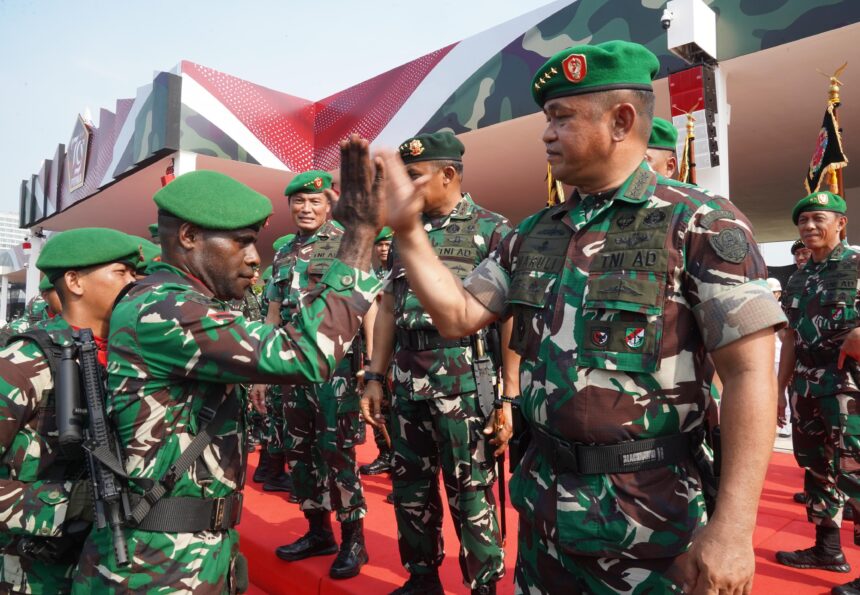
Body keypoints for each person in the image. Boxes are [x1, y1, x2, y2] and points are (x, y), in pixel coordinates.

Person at [377, 40, 786, 593]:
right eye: (547, 118)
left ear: (621, 120)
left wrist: (734, 529)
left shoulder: (700, 224)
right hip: (544, 509)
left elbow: (749, 375)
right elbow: (457, 316)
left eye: (561, 118)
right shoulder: (532, 233)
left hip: (650, 522)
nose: (546, 133)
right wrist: (406, 232)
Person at [72, 136, 385, 594]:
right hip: (160, 565)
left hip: (186, 550)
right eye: (240, 243)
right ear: (189, 238)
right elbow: (305, 355)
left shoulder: (180, 302)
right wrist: (358, 238)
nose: (254, 258)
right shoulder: (167, 308)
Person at [362, 131, 516, 595]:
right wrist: (374, 375)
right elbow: (388, 307)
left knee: (470, 491)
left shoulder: (493, 229)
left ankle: (482, 583)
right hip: (408, 378)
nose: (402, 189)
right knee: (411, 489)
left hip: (466, 380)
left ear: (448, 174)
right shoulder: (406, 233)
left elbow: (509, 319)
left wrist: (508, 395)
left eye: (413, 177)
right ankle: (422, 576)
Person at [0, 227, 141, 594]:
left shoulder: (131, 359)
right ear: (75, 281)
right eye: (121, 272)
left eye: (135, 273)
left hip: (111, 566)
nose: (134, 282)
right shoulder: (22, 363)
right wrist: (70, 501)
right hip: (39, 574)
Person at [266, 170, 370, 580]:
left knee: (337, 452)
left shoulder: (348, 246)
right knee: (301, 454)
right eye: (298, 202)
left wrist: (372, 369)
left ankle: (353, 541)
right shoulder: (282, 253)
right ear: (290, 206)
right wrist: (263, 373)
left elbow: (370, 306)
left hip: (336, 370)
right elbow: (274, 312)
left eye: (314, 202)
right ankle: (318, 532)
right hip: (290, 369)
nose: (306, 209)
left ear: (329, 205)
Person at [775, 191, 860, 594]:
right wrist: (779, 389)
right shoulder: (800, 276)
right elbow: (790, 338)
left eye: (817, 218)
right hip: (806, 386)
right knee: (816, 468)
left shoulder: (857, 264)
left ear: (841, 222)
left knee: (856, 474)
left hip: (849, 389)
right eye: (803, 220)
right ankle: (828, 549)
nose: (809, 227)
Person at [359, 226, 395, 478]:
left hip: (399, 351)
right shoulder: (371, 276)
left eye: (388, 243)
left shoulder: (402, 270)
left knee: (399, 410)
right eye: (379, 244)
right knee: (376, 404)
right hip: (373, 349)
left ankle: (401, 460)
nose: (383, 248)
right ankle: (385, 454)